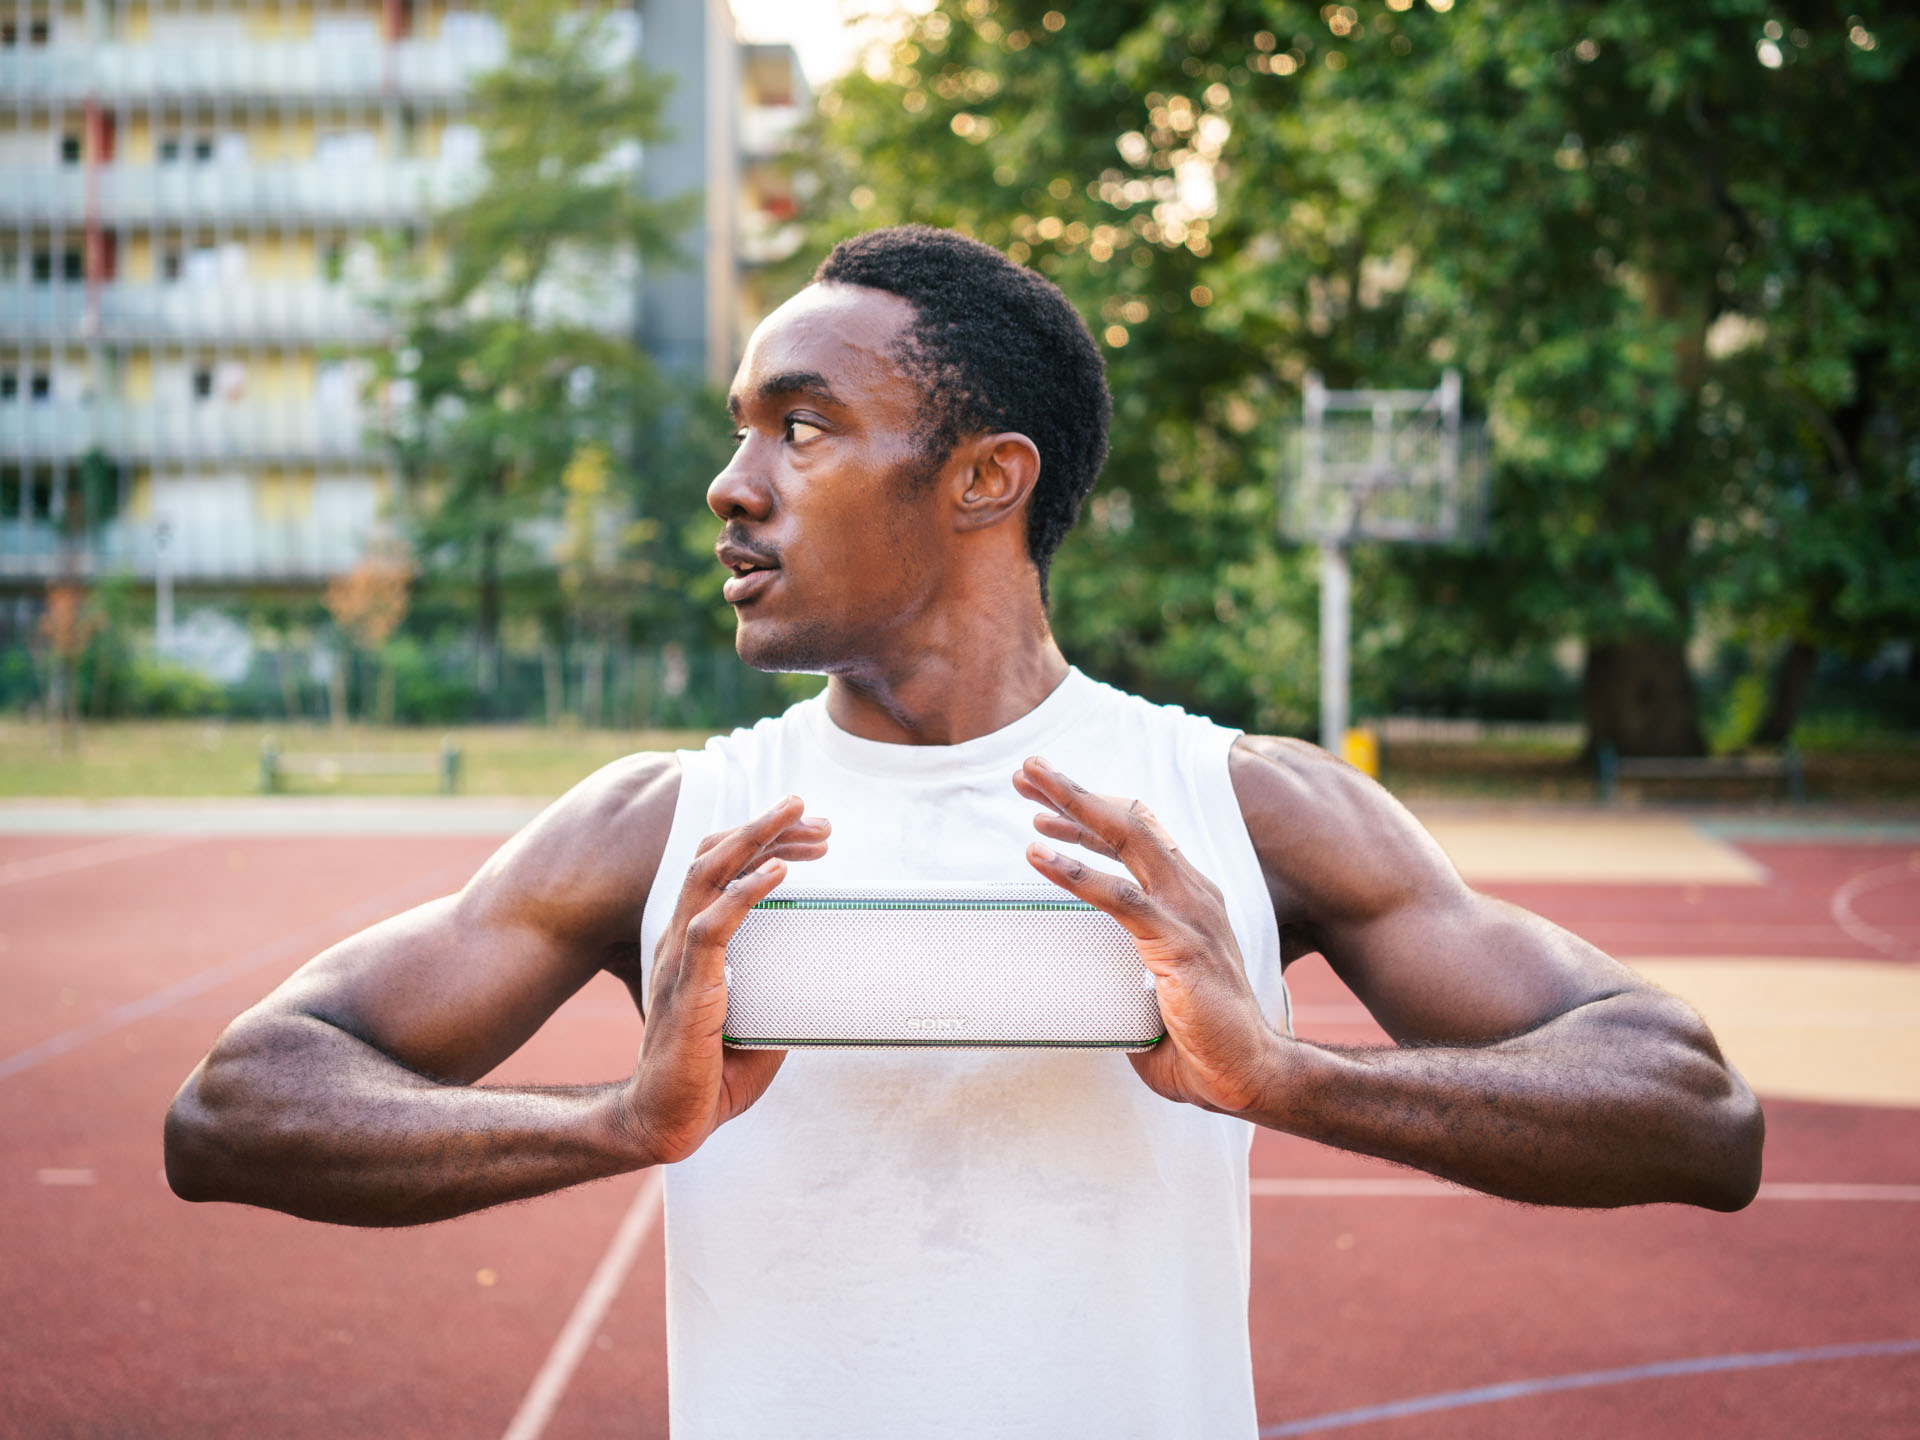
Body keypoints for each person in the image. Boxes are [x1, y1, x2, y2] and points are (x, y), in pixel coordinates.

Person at [165, 225, 1763, 1439]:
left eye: (801, 428)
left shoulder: (1241, 807)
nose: (732, 485)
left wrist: (1290, 1079)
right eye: (741, 431)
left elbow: (1693, 1110)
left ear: (989, 477)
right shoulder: (669, 822)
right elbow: (235, 1109)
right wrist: (611, 1124)